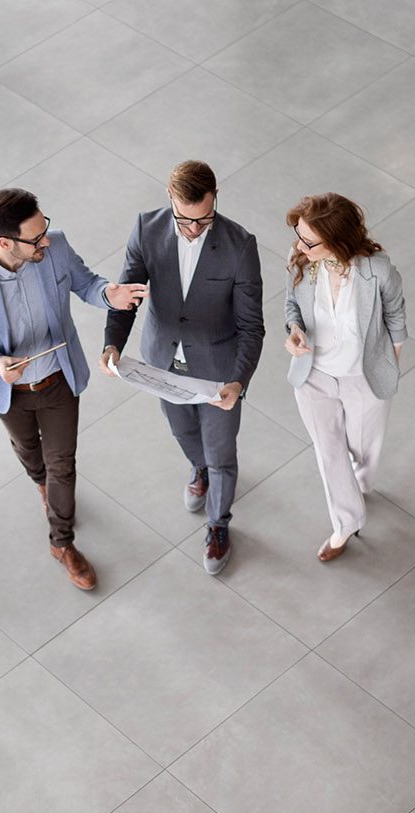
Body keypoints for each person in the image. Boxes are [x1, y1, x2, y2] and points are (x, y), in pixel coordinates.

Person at [0, 188, 147, 590]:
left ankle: (62, 543)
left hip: (56, 382)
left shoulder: (56, 247)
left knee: (62, 463)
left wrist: (109, 294)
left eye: (44, 229)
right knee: (30, 452)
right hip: (9, 391)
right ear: (4, 242)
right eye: (35, 238)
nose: (45, 241)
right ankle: (40, 483)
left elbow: (86, 284)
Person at [101, 160, 264, 576]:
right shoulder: (146, 229)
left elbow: (251, 326)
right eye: (184, 219)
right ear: (169, 199)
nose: (193, 228)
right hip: (162, 361)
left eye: (203, 218)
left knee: (222, 453)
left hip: (218, 370)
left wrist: (237, 380)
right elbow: (127, 294)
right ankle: (199, 468)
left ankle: (218, 525)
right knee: (183, 432)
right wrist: (112, 344)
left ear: (215, 200)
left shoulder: (240, 245)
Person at [281, 193, 406, 563]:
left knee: (364, 449)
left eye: (309, 240)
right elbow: (291, 305)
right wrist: (293, 330)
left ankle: (360, 486)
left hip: (363, 377)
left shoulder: (377, 270)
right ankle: (346, 523)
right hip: (314, 376)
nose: (299, 245)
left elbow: (397, 316)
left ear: (337, 240)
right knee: (329, 451)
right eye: (299, 235)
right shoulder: (300, 260)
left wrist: (390, 364)